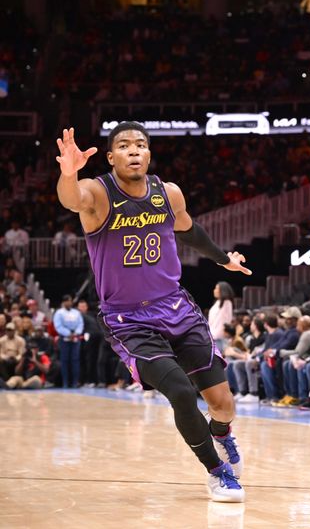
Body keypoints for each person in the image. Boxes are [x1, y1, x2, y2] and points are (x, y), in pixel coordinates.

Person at [55, 124, 250, 501]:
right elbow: (72, 199)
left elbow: (189, 230)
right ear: (111, 157)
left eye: (141, 145)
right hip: (128, 319)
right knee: (178, 389)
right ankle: (217, 471)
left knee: (223, 405)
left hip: (176, 307)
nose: (134, 151)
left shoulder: (168, 192)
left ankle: (222, 433)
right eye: (125, 146)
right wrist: (68, 173)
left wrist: (223, 259)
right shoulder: (98, 192)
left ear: (148, 154)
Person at [53, 294, 83, 388]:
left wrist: (76, 333)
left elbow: (80, 324)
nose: (69, 302)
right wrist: (68, 333)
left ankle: (75, 382)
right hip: (64, 338)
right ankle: (65, 382)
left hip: (75, 338)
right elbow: (58, 326)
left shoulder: (76, 312)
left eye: (70, 301)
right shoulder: (59, 313)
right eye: (67, 301)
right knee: (65, 360)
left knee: (75, 360)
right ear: (64, 302)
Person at [209, 282, 235, 352]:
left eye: (217, 288)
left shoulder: (227, 303)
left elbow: (226, 321)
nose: (214, 290)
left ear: (222, 290)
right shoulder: (217, 303)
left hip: (219, 338)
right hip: (212, 336)